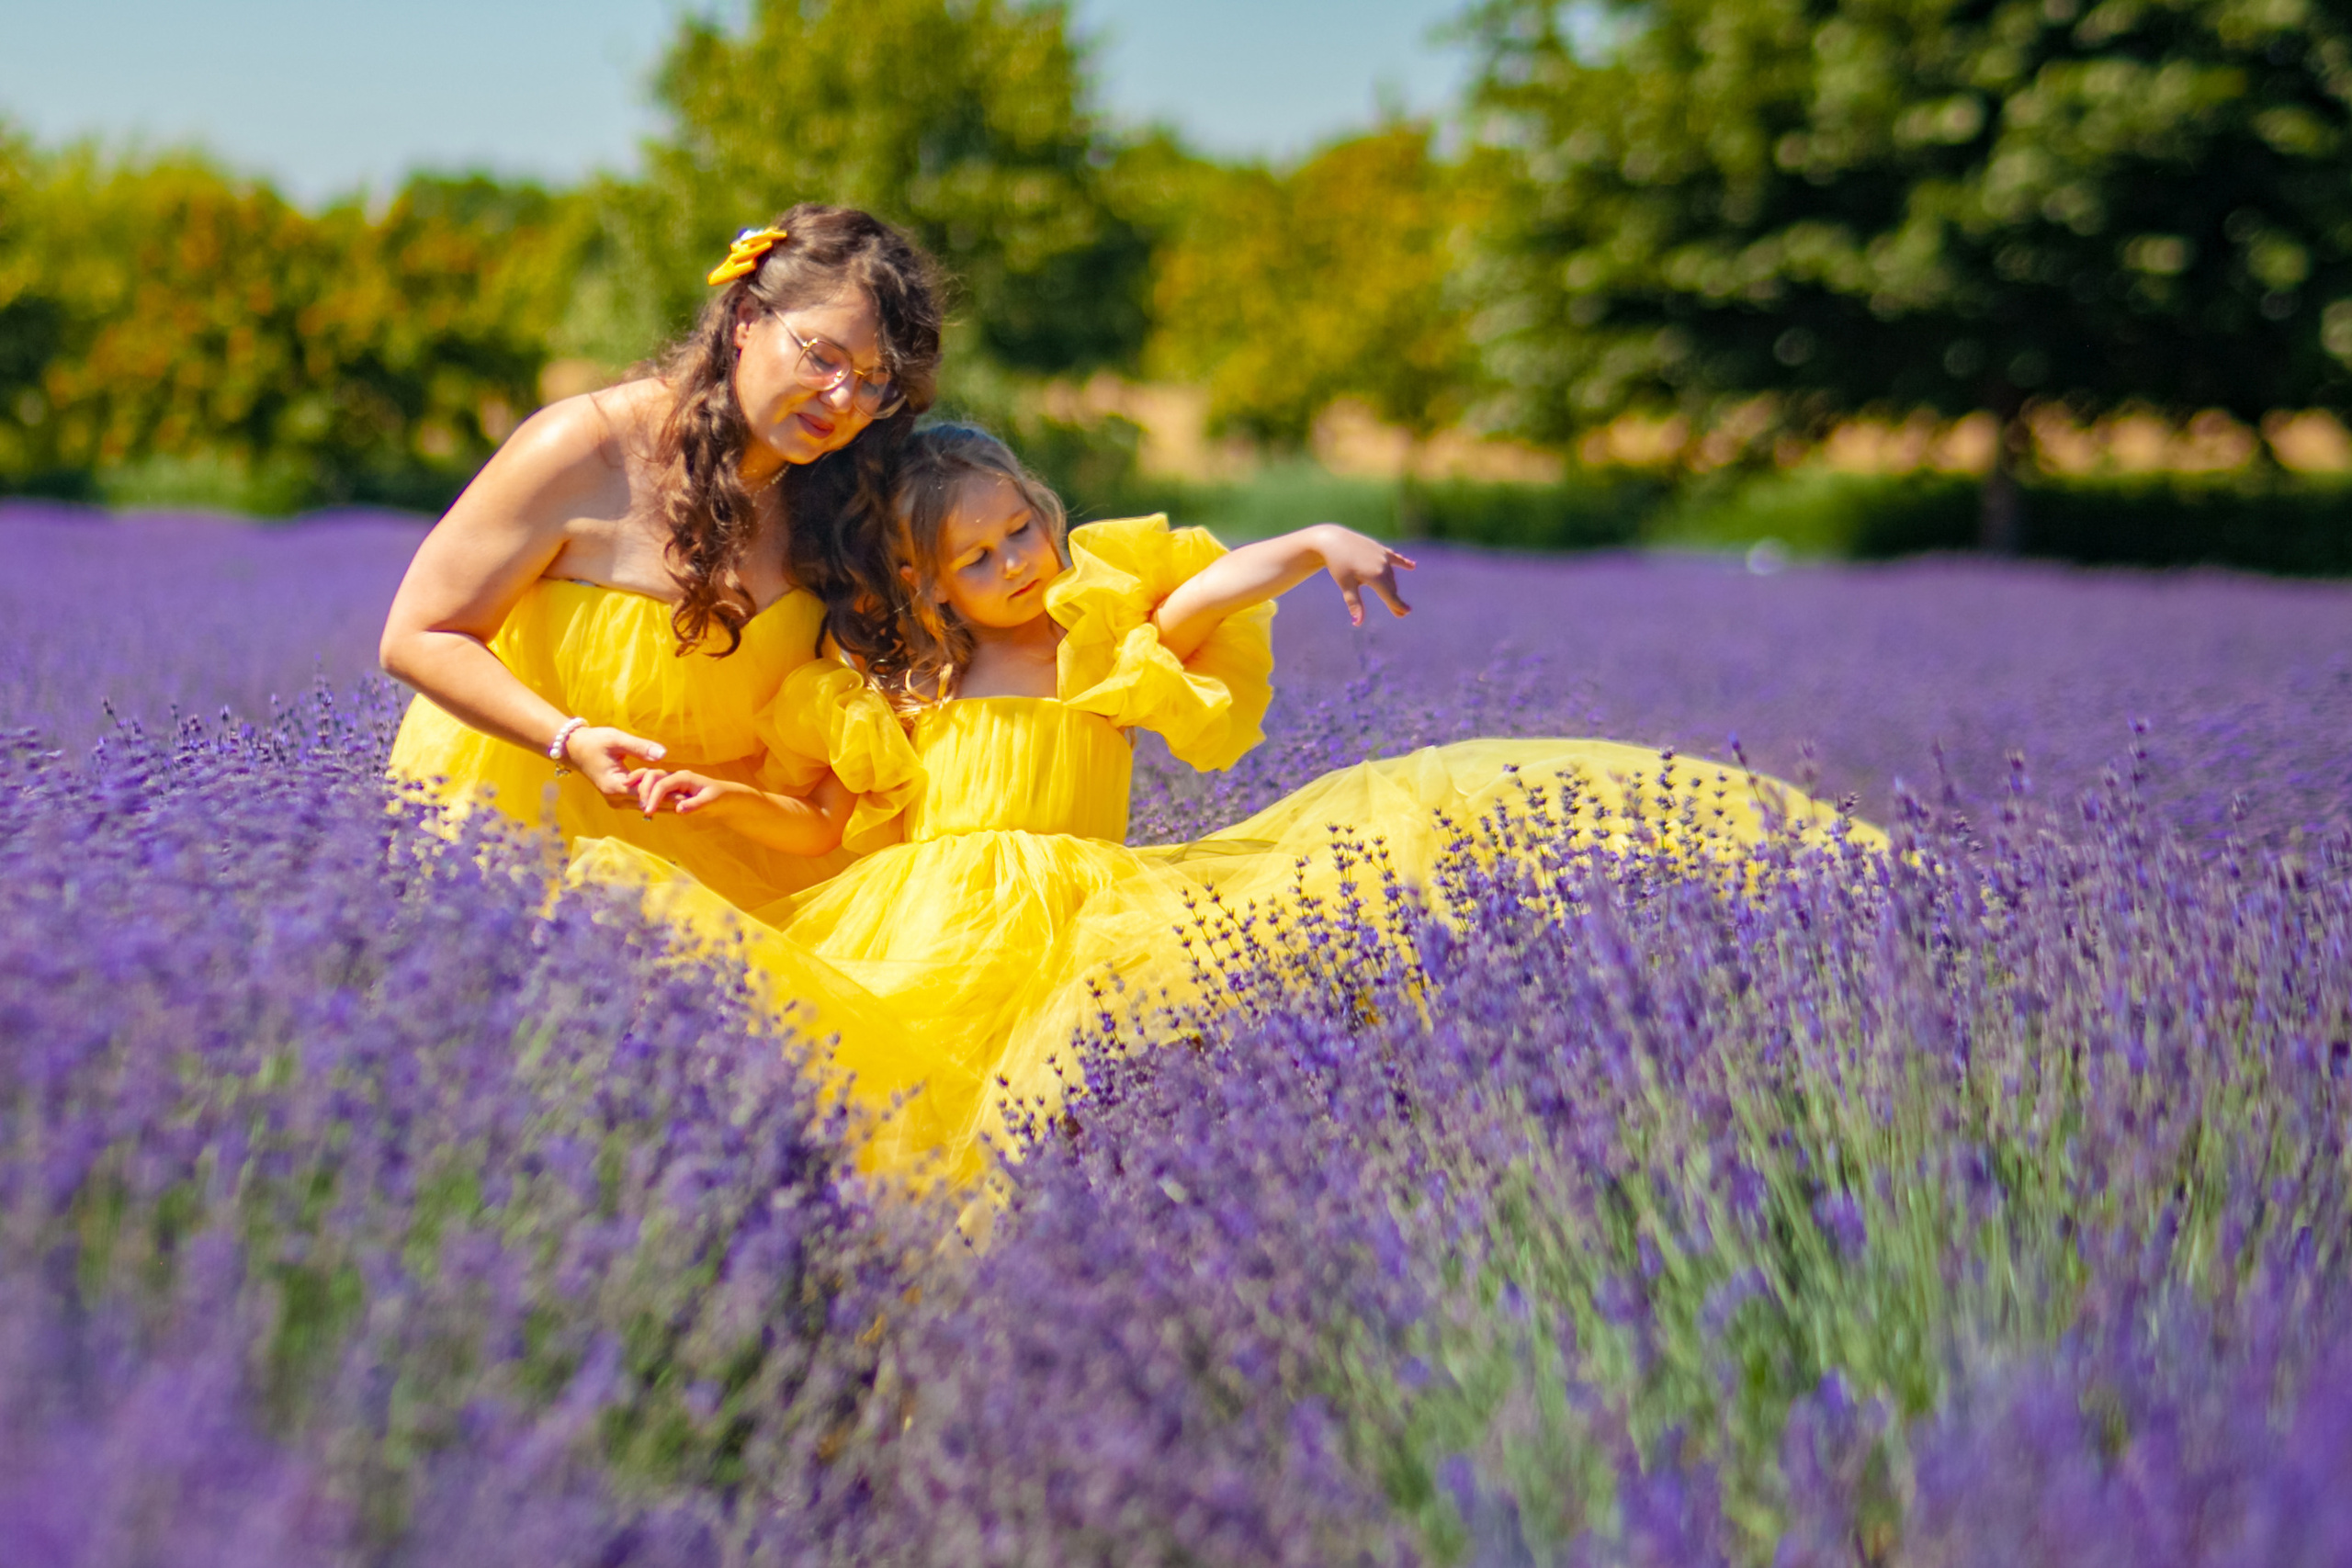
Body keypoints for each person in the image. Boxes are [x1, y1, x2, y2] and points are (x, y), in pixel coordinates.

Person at [572, 425, 1879, 1192]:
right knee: (902, 1103)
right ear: (925, 584)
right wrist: (730, 799)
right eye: (979, 558)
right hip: (917, 925)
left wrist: (1312, 543)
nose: (1018, 564)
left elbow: (1205, 596)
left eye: (1024, 529)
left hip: (1089, 919)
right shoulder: (890, 689)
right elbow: (830, 835)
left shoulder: (1089, 637)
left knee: (1053, 1109)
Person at [379, 205, 942, 910]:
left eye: (873, 380)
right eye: (823, 355)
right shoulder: (585, 448)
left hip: (735, 859)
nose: (843, 397)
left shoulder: (844, 495)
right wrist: (568, 740)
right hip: (532, 832)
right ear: (745, 319)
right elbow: (419, 634)